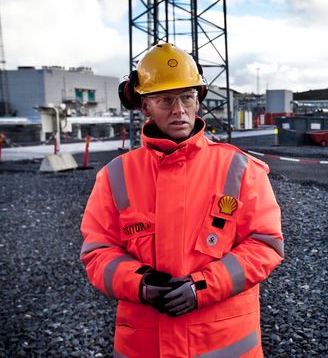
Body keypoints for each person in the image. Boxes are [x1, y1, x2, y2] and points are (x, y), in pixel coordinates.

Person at [79, 42, 284, 357]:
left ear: (198, 100)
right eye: (164, 100)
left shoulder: (241, 169)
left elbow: (265, 244)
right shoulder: (115, 176)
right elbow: (98, 253)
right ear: (145, 106)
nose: (179, 110)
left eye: (187, 97)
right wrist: (140, 285)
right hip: (144, 344)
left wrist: (202, 287)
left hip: (223, 342)